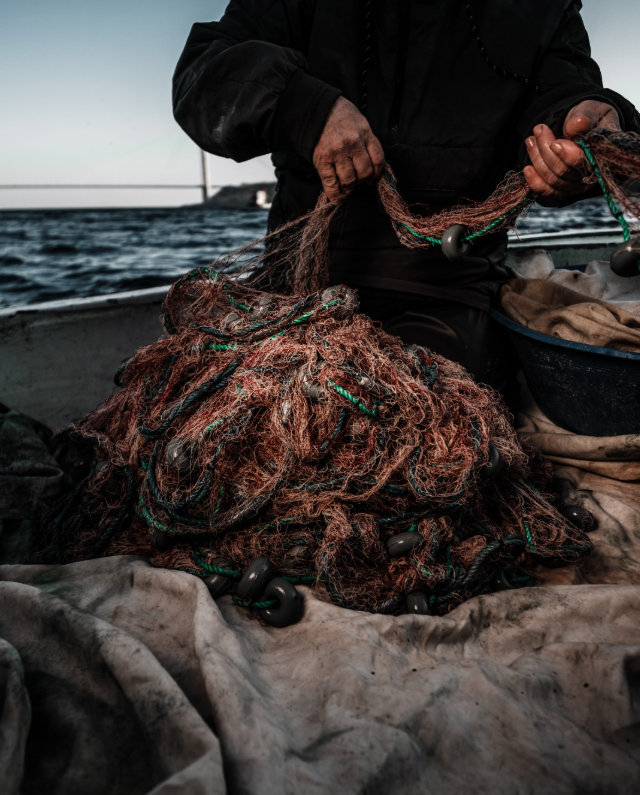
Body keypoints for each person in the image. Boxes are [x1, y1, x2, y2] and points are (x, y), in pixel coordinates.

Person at [172, 0, 639, 399]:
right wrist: (307, 108)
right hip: (296, 285)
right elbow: (201, 75)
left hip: (449, 290)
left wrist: (586, 132)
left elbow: (561, 101)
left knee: (433, 415)